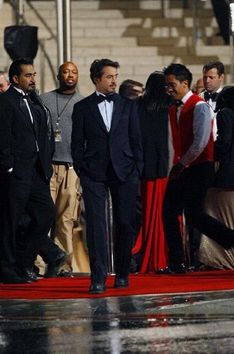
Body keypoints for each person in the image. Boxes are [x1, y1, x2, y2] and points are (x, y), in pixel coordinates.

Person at [71, 58, 143, 294]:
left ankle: (122, 273)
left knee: (124, 223)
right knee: (96, 225)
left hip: (125, 171)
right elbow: (76, 143)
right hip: (93, 173)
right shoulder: (82, 107)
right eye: (109, 77)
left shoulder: (128, 105)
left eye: (115, 76)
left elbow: (136, 140)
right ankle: (98, 276)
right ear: (96, 79)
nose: (114, 81)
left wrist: (137, 169)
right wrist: (82, 168)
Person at [162, 63, 234, 274]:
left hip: (198, 168)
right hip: (182, 167)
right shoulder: (172, 108)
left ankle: (231, 239)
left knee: (195, 216)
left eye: (172, 84)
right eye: (167, 85)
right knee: (169, 213)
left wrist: (181, 164)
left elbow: (201, 141)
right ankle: (177, 263)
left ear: (185, 83)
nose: (169, 89)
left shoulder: (199, 106)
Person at [0, 58, 57, 283]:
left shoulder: (35, 101)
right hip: (15, 172)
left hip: (37, 172)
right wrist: (9, 165)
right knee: (10, 221)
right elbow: (3, 136)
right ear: (16, 79)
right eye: (28, 75)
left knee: (46, 214)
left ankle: (24, 262)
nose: (33, 79)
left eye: (33, 75)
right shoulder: (5, 101)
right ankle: (7, 268)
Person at [40, 61, 84, 274]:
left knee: (66, 218)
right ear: (59, 75)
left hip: (71, 167)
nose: (69, 75)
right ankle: (38, 264)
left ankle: (64, 265)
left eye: (73, 72)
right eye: (65, 71)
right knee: (43, 216)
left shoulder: (83, 103)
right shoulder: (44, 100)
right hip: (47, 166)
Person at [132, 71, 173, 273]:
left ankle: (147, 257)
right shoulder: (170, 104)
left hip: (146, 170)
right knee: (166, 215)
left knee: (149, 216)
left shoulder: (138, 105)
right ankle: (164, 257)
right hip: (166, 169)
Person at [199, 86, 234, 269]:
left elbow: (224, 142)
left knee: (213, 213)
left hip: (227, 175)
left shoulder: (225, 114)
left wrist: (210, 152)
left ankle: (219, 258)